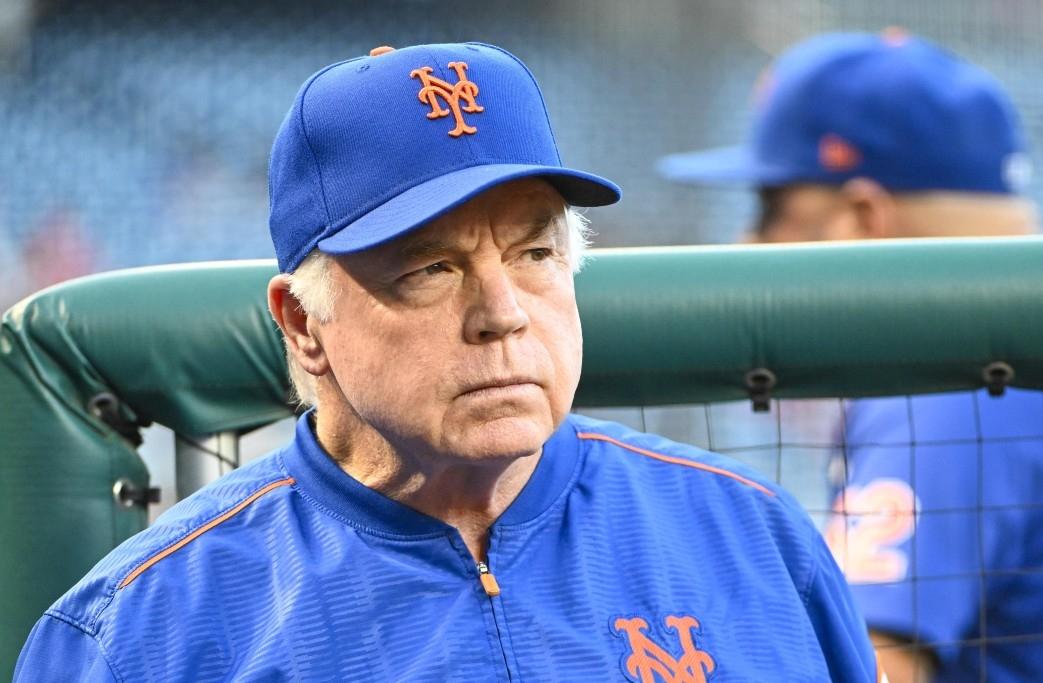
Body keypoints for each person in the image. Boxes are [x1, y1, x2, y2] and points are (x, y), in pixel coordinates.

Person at [15, 42, 879, 681]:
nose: (502, 313)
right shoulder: (139, 629)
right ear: (304, 325)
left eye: (536, 253)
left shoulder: (754, 537)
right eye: (432, 268)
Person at [659, 30, 1043, 682]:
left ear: (863, 216)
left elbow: (868, 671)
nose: (744, 243)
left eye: (769, 210)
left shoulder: (959, 381)